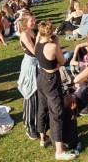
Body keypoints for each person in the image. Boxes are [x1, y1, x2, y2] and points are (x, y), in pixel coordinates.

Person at [35, 21, 76, 161]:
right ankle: (59, 151)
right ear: (51, 32)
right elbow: (63, 61)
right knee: (56, 113)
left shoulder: (37, 41)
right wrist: (57, 44)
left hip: (40, 76)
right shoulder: (52, 46)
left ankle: (42, 137)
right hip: (51, 79)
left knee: (42, 107)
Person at [17, 12, 39, 140]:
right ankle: (29, 126)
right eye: (31, 20)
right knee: (30, 94)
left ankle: (35, 123)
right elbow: (34, 50)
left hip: (36, 65)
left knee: (36, 95)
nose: (34, 22)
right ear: (25, 22)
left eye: (34, 19)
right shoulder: (24, 34)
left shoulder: (33, 32)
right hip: (30, 67)